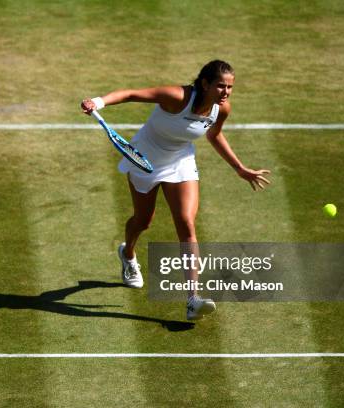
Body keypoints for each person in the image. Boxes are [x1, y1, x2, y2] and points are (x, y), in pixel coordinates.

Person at [81, 60, 271, 320]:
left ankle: (193, 298)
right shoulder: (177, 97)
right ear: (205, 84)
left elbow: (214, 135)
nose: (225, 92)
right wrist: (98, 102)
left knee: (186, 224)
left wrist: (239, 168)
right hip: (144, 159)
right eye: (220, 86)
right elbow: (131, 94)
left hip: (180, 162)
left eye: (229, 87)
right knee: (143, 221)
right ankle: (128, 254)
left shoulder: (221, 109)